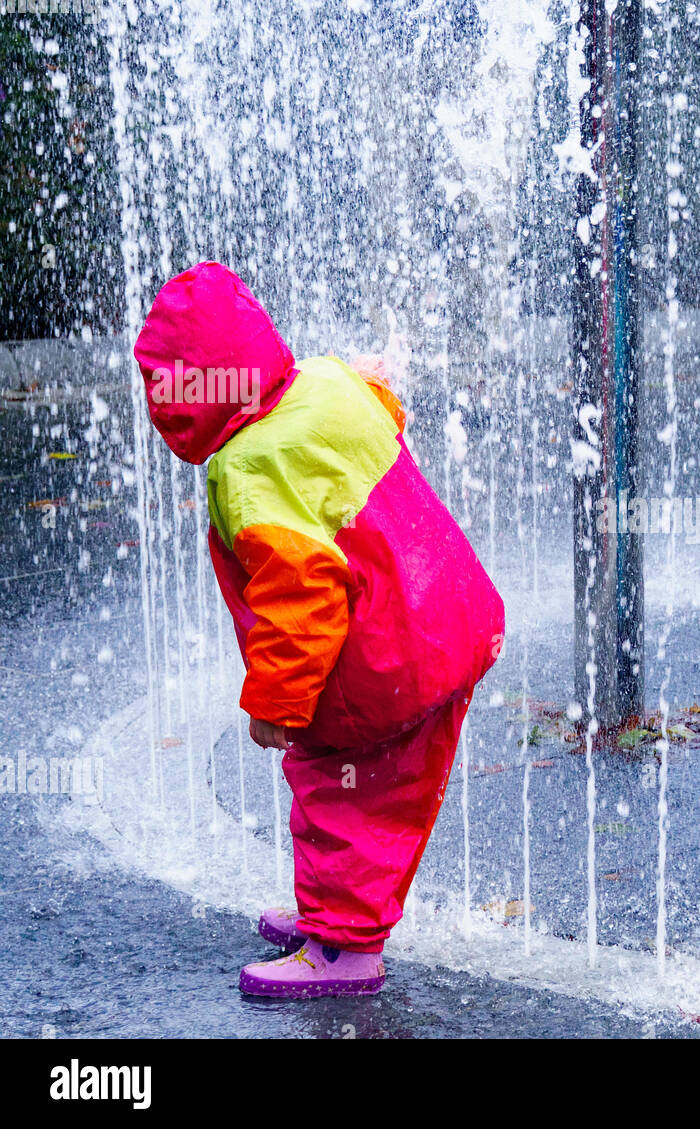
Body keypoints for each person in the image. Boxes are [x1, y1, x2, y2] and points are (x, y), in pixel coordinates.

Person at [133, 262, 504, 997]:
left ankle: (343, 948)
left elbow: (302, 599)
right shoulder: (324, 382)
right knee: (385, 792)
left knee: (337, 787)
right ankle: (330, 912)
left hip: (388, 660)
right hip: (450, 617)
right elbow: (383, 407)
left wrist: (275, 701)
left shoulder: (250, 467)